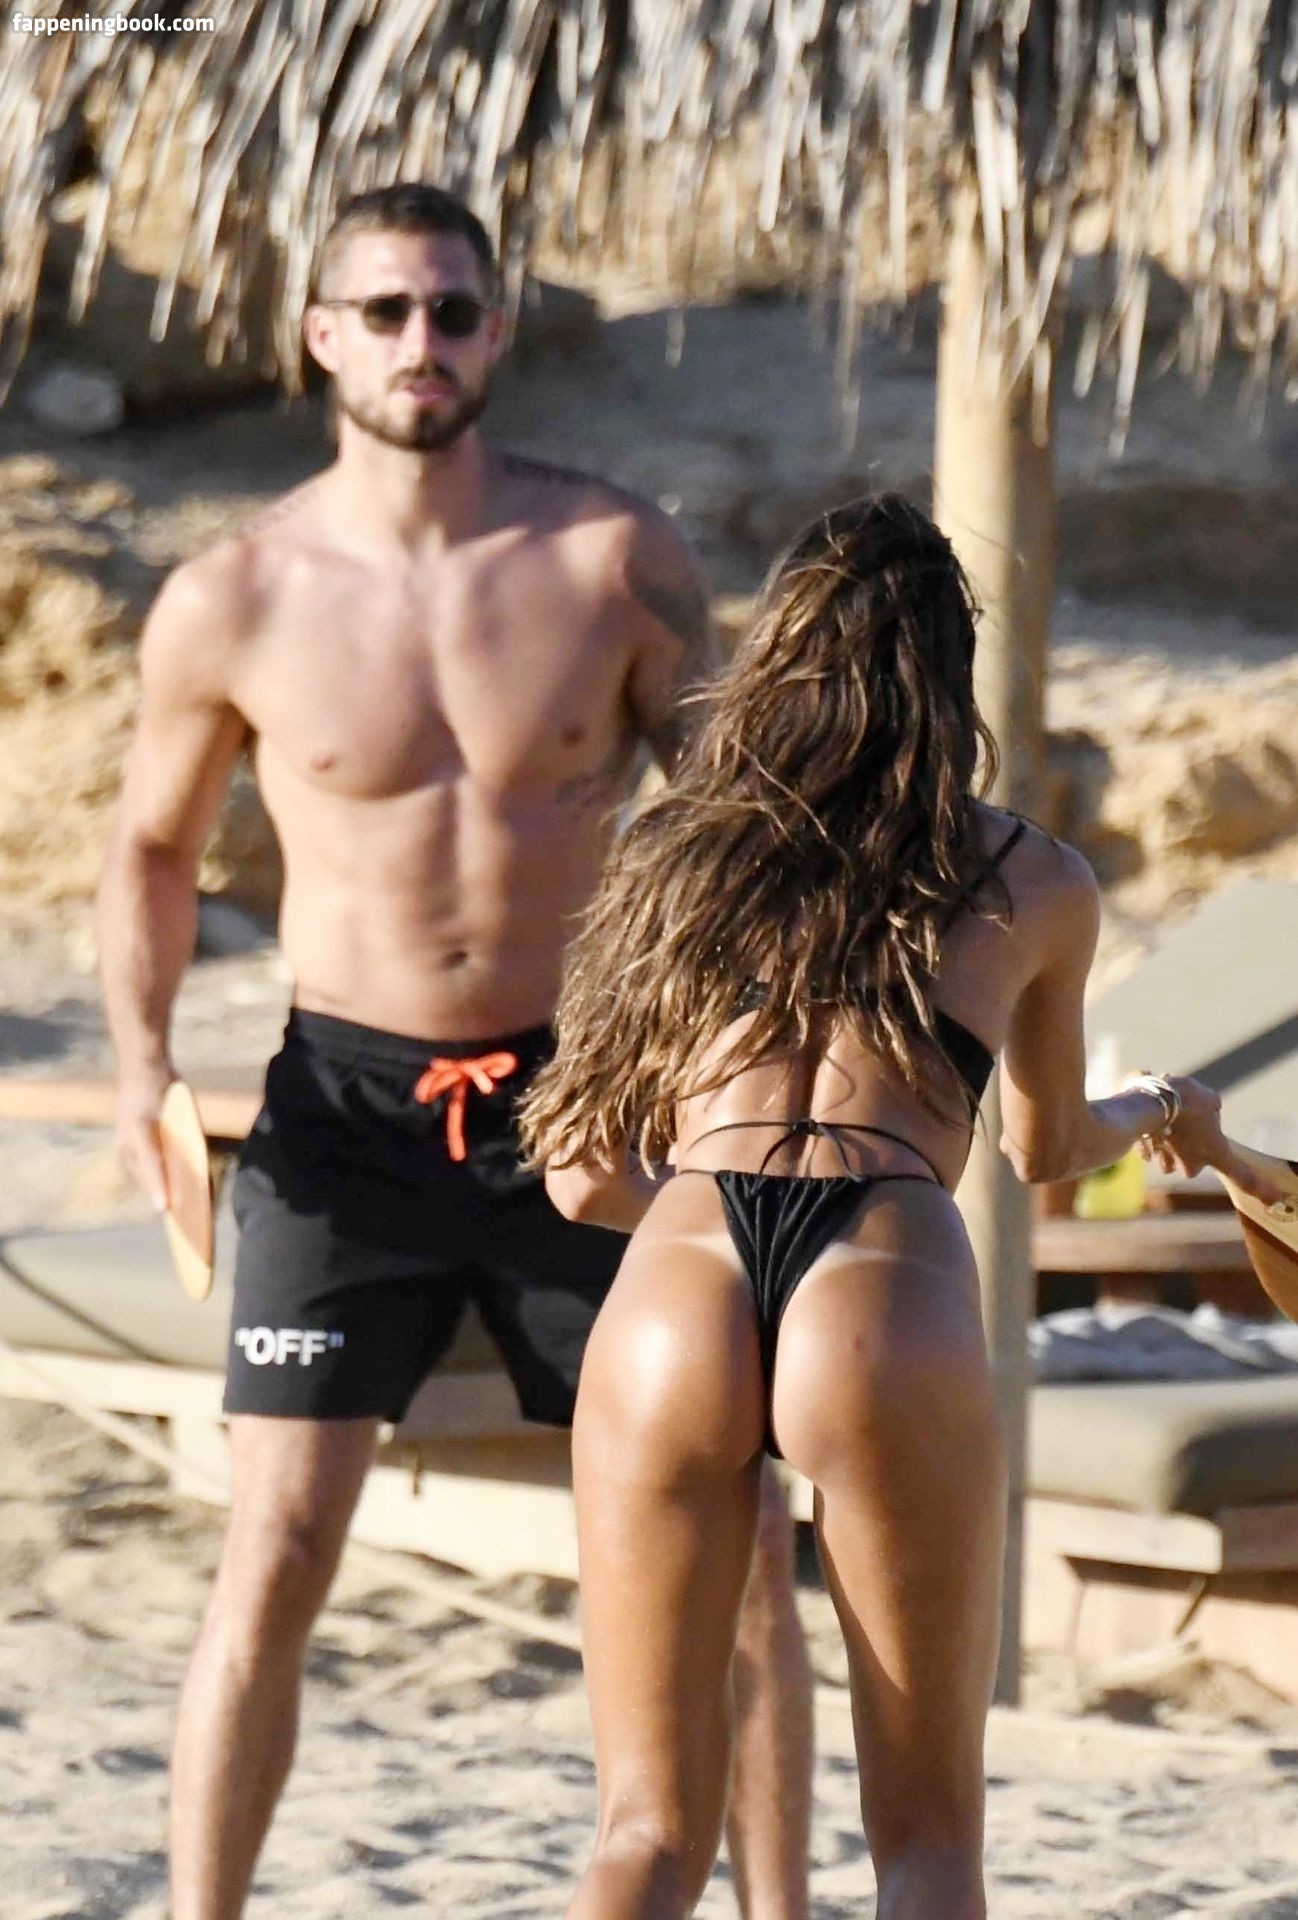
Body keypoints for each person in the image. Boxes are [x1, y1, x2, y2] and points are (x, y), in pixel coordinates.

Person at [96, 182, 812, 1920]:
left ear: (498, 332)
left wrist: (735, 1067)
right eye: (387, 310)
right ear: (321, 338)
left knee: (730, 1555)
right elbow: (152, 847)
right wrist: (138, 1064)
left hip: (589, 1102)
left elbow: (734, 828)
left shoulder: (612, 558)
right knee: (275, 1544)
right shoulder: (233, 594)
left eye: (455, 310)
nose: (423, 341)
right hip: (343, 1113)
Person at [521, 492, 1285, 1920]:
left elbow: (576, 1172)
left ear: (774, 655)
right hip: (883, 1267)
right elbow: (1046, 1150)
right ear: (949, 673)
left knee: (645, 1830)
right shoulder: (1033, 878)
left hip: (684, 1268)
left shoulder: (673, 856)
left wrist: (701, 1224)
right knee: (925, 1839)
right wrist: (1164, 1110)